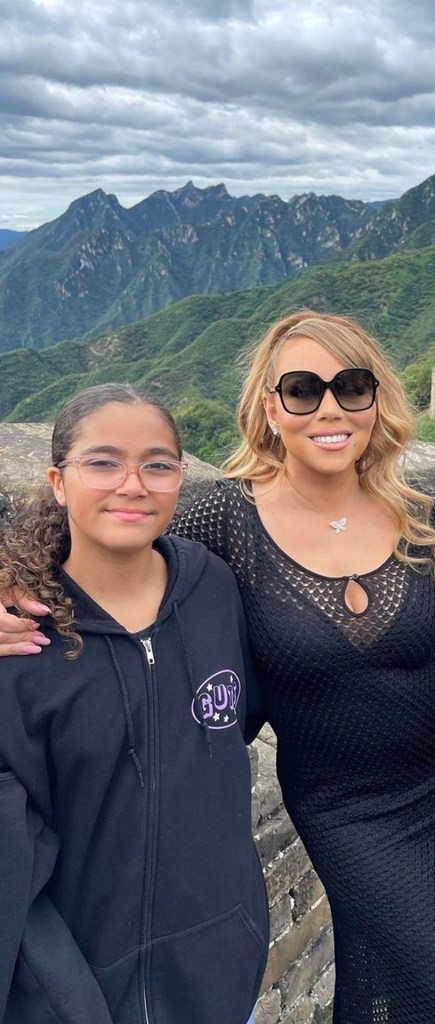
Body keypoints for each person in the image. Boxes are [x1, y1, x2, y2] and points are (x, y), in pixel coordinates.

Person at [0, 312, 435, 1023]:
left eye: (350, 386)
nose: (329, 407)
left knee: (396, 981)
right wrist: (12, 574)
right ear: (270, 408)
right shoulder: (228, 518)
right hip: (340, 804)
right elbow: (116, 524)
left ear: (374, 401)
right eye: (301, 389)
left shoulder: (414, 512)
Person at [0, 384, 269, 1024]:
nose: (133, 484)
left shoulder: (213, 588)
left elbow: (237, 723)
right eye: (102, 462)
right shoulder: (20, 638)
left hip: (222, 973)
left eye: (157, 463)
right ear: (57, 481)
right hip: (79, 993)